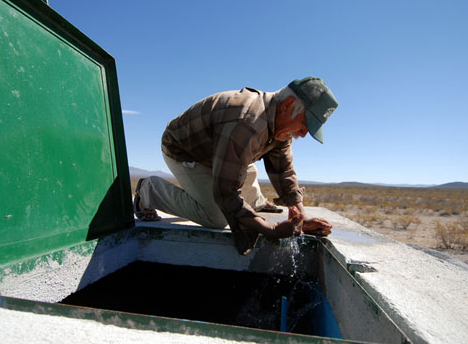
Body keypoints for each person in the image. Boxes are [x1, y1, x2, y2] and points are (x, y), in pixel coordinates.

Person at [134, 76, 338, 254]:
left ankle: (254, 200)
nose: (303, 134)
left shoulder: (279, 125)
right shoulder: (247, 121)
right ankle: (150, 190)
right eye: (305, 125)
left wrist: (299, 213)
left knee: (244, 173)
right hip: (185, 152)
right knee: (216, 217)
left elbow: (283, 169)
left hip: (223, 155)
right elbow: (225, 191)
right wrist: (269, 229)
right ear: (288, 105)